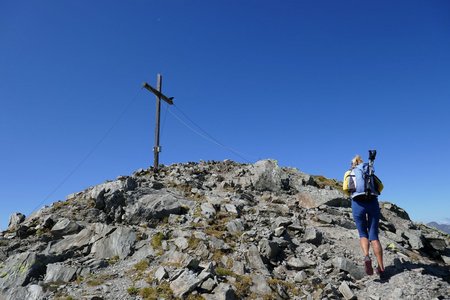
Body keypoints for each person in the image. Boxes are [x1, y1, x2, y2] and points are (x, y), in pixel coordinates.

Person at [348, 155, 386, 280]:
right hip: (372, 203)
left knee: (362, 233)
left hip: (357, 204)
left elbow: (345, 188)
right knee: (374, 236)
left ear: (353, 164)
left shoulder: (350, 173)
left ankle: (366, 256)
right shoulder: (369, 171)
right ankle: (381, 268)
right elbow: (380, 187)